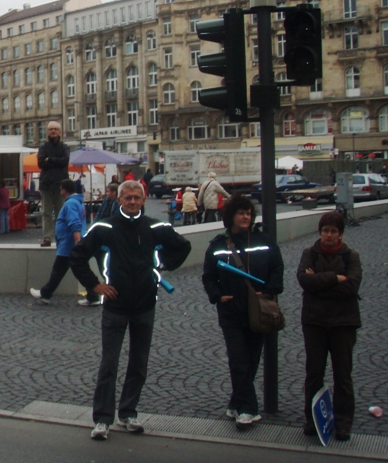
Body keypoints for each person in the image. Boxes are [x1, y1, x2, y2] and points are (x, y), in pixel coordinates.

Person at [69, 180, 192, 440]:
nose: (133, 202)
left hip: (145, 305)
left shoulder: (155, 227)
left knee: (139, 363)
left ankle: (128, 412)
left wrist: (160, 269)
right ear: (120, 200)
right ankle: (102, 419)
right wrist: (95, 285)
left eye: (137, 198)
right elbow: (77, 256)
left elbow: (183, 247)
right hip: (115, 305)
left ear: (143, 200)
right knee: (109, 364)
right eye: (128, 198)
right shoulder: (104, 228)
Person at [201, 193, 284, 430]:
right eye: (241, 213)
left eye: (248, 213)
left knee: (251, 359)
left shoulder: (264, 240)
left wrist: (269, 290)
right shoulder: (218, 245)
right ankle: (248, 410)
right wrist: (217, 296)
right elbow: (208, 277)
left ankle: (236, 403)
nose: (246, 216)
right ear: (231, 216)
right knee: (238, 360)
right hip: (231, 311)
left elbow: (277, 267)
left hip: (257, 310)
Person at [296, 211, 362, 441]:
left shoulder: (351, 256)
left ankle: (343, 421)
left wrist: (320, 281)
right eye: (325, 231)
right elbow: (304, 280)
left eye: (333, 231)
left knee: (343, 374)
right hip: (314, 322)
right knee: (314, 373)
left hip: (344, 323)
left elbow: (352, 287)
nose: (329, 235)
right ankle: (312, 419)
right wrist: (336, 278)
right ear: (320, 232)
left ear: (340, 234)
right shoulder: (309, 253)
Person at [30, 179, 87, 304]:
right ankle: (93, 295)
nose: (60, 191)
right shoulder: (78, 202)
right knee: (79, 271)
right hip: (71, 243)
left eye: (61, 189)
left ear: (64, 190)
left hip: (68, 244)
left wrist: (77, 240)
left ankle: (45, 293)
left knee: (59, 271)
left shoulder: (70, 203)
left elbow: (74, 222)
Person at [37, 121, 70, 247]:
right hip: (46, 183)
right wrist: (57, 161)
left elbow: (65, 161)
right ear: (47, 132)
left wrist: (49, 159)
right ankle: (47, 237)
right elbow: (41, 163)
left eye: (56, 129)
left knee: (61, 212)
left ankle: (61, 237)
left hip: (61, 184)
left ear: (60, 131)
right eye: (51, 129)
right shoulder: (43, 147)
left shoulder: (65, 147)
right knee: (46, 212)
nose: (53, 131)